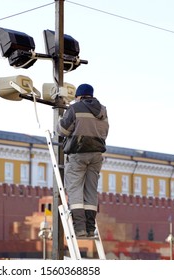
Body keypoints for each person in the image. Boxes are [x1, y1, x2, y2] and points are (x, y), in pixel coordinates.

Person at [57, 83, 109, 238]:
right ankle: (90, 228)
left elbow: (62, 131)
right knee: (91, 191)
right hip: (97, 155)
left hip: (78, 153)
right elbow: (105, 130)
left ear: (78, 96)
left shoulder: (74, 108)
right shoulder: (103, 110)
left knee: (75, 189)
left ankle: (79, 228)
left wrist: (60, 120)